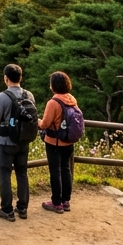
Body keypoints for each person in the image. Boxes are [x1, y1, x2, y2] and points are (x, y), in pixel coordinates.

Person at [0, 63, 34, 221]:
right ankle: (22, 208)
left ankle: (6, 210)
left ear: (6, 78)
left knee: (4, 174)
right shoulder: (29, 95)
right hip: (24, 141)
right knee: (22, 173)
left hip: (6, 142)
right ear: (20, 78)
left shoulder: (2, 96)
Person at [39, 71, 77, 213]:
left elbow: (45, 124)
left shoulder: (53, 102)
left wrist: (37, 121)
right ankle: (65, 201)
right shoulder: (71, 99)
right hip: (68, 141)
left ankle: (56, 203)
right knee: (66, 169)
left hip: (54, 142)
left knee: (55, 171)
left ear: (53, 86)